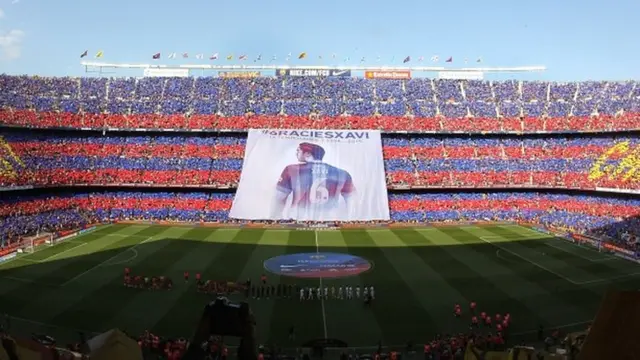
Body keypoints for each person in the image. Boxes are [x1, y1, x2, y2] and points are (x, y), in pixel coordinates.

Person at [272, 142, 355, 219]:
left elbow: (279, 198)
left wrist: (275, 216)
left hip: (297, 219)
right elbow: (353, 201)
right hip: (329, 220)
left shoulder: (291, 169)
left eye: (298, 151)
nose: (296, 153)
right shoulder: (343, 173)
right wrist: (352, 220)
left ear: (307, 154)